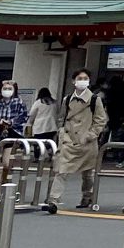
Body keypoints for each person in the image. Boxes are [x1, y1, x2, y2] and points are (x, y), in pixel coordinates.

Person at [47, 69, 108, 212]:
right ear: (73, 81)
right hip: (68, 140)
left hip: (86, 142)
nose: (83, 81)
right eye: (80, 78)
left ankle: (87, 196)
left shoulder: (94, 99)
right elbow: (61, 117)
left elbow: (100, 120)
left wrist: (90, 135)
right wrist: (62, 133)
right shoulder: (67, 99)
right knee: (61, 170)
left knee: (87, 172)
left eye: (85, 78)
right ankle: (54, 200)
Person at [0, 78, 29, 154]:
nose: (7, 90)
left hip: (12, 133)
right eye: (5, 88)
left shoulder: (19, 102)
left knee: (7, 163)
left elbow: (24, 116)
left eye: (10, 88)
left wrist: (11, 122)